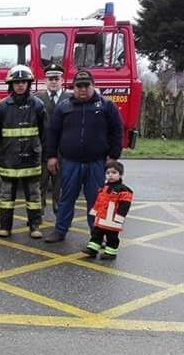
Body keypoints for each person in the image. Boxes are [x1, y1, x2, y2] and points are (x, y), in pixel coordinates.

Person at [44, 69, 124, 243]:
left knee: (96, 201)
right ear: (73, 87)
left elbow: (117, 132)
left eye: (86, 85)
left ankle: (96, 235)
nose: (82, 89)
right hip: (70, 162)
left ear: (93, 86)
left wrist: (113, 156)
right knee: (66, 198)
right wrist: (51, 156)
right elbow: (53, 133)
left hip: (96, 163)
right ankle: (60, 231)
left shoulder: (106, 106)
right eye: (78, 86)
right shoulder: (64, 107)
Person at [0, 65, 46, 239]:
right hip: (9, 159)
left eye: (23, 82)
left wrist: (42, 152)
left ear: (28, 84)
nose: (20, 85)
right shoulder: (2, 106)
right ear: (11, 85)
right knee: (7, 196)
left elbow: (44, 132)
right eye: (17, 82)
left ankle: (35, 226)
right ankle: (5, 227)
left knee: (34, 196)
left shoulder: (38, 105)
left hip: (31, 158)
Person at [35, 63, 71, 218]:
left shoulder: (71, 98)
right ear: (45, 81)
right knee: (39, 185)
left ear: (62, 80)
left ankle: (59, 214)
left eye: (56, 78)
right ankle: (37, 214)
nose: (54, 81)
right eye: (50, 78)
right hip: (42, 149)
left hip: (64, 150)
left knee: (60, 186)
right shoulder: (37, 99)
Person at [81, 161, 133, 260]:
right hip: (101, 218)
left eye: (114, 173)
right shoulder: (104, 187)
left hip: (113, 220)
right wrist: (95, 212)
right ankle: (92, 249)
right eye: (108, 173)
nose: (110, 175)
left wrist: (119, 218)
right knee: (96, 234)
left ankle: (111, 253)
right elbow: (99, 201)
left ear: (120, 174)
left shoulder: (124, 190)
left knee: (112, 237)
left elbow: (124, 206)